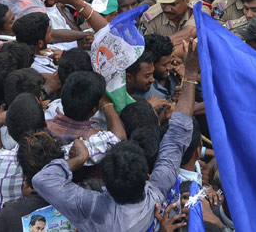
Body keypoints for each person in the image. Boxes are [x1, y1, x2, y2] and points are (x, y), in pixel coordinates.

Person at [30, 37, 200, 232]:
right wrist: (191, 74)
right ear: (147, 175)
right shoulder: (157, 191)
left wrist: (78, 159)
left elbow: (42, 180)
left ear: (104, 181)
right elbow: (178, 132)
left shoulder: (89, 205)